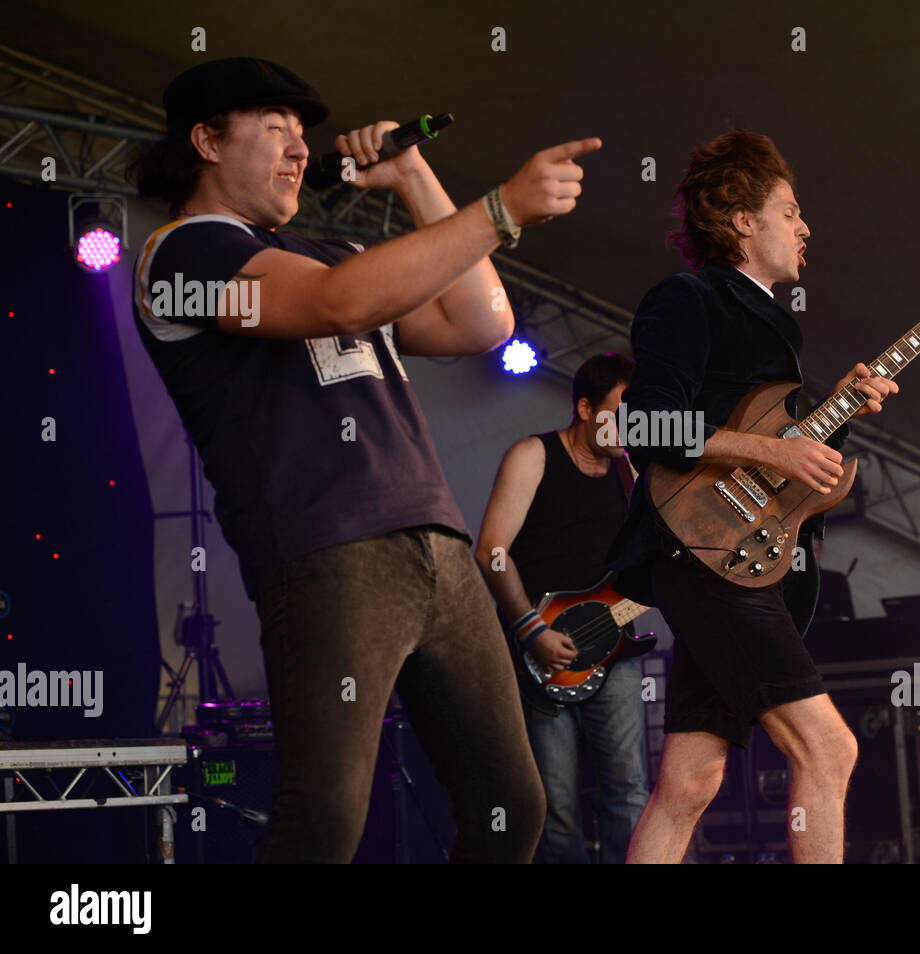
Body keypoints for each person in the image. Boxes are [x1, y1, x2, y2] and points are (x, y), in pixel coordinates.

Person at [129, 56, 601, 862]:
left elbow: (481, 322)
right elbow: (338, 302)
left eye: (302, 133)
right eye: (274, 129)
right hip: (327, 552)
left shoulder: (330, 247)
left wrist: (415, 177)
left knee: (512, 804)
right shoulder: (181, 258)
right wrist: (500, 209)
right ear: (206, 141)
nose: (298, 149)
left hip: (437, 542)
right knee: (325, 818)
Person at [605, 130, 899, 863]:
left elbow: (773, 450)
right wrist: (773, 450)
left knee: (689, 783)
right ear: (742, 220)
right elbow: (642, 424)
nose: (806, 228)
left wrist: (836, 413)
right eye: (790, 212)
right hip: (702, 551)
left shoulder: (772, 322)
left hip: (737, 556)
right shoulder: (688, 298)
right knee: (829, 748)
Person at [475, 353, 649, 863]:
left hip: (615, 651)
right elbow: (491, 552)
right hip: (541, 651)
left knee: (628, 789)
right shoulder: (533, 455)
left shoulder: (631, 473)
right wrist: (531, 629)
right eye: (617, 414)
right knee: (557, 805)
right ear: (585, 408)